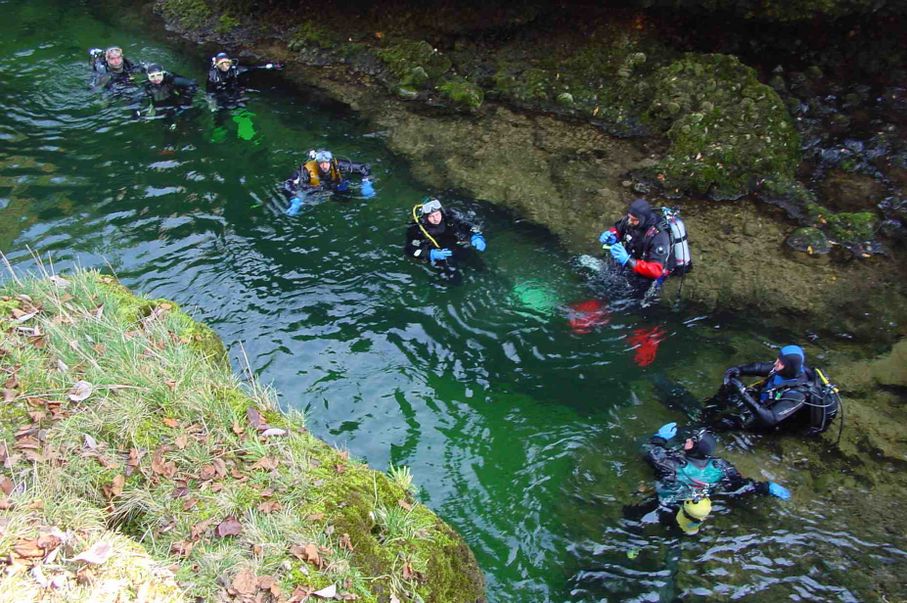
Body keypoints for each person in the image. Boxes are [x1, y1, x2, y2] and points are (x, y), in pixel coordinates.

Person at [632, 422, 791, 535]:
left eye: (691, 440)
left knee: (632, 515)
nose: (687, 440)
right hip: (693, 510)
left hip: (666, 503)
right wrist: (765, 487)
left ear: (695, 448)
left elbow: (650, 452)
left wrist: (659, 438)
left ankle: (634, 544)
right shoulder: (721, 466)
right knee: (678, 531)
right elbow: (740, 487)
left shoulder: (672, 464)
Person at [706, 345, 840, 435]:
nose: (776, 363)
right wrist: (739, 370)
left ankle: (706, 431)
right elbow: (760, 367)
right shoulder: (785, 370)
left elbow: (770, 419)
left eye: (780, 362)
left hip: (775, 420)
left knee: (727, 421)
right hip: (765, 402)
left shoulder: (798, 394)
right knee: (729, 390)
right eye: (778, 359)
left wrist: (743, 394)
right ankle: (708, 411)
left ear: (789, 366)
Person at [598, 199, 674, 298]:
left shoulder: (659, 236)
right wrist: (612, 235)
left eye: (634, 220)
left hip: (654, 268)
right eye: (629, 217)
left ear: (643, 219)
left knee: (634, 296)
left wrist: (628, 260)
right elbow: (618, 229)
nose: (630, 221)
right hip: (635, 257)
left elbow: (656, 270)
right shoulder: (632, 219)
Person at [404, 198, 486, 279]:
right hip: (437, 253)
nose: (436, 219)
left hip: (455, 245)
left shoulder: (450, 216)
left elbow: (467, 224)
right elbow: (410, 249)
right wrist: (430, 254)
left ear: (441, 212)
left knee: (480, 266)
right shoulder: (417, 228)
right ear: (425, 217)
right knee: (454, 278)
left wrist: (476, 236)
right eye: (431, 216)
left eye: (437, 214)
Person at [283, 150, 374, 213]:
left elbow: (364, 167)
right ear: (317, 163)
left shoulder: (338, 164)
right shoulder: (306, 170)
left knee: (347, 200)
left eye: (326, 162)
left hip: (336, 186)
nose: (324, 166)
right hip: (315, 190)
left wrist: (366, 183)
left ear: (330, 161)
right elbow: (288, 183)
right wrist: (294, 198)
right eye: (321, 163)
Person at [206, 51, 283, 108]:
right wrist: (212, 104)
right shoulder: (213, 76)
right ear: (217, 65)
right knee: (224, 106)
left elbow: (253, 68)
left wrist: (271, 66)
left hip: (234, 91)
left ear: (230, 62)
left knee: (243, 103)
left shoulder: (235, 70)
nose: (225, 66)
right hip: (220, 95)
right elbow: (209, 92)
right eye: (221, 64)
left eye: (227, 63)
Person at [133, 64, 197, 115]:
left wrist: (185, 100)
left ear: (163, 74)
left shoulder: (172, 80)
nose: (156, 79)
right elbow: (136, 98)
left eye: (159, 75)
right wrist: (136, 111)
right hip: (160, 103)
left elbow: (192, 84)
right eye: (152, 76)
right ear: (148, 77)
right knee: (164, 115)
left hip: (176, 99)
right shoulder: (147, 86)